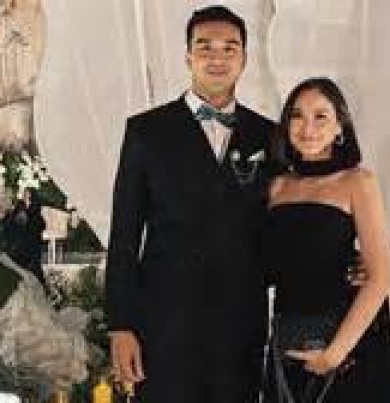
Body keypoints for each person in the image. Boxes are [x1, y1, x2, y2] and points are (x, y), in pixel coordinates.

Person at [105, 5, 275, 402]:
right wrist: (121, 326)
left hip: (240, 326)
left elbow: (285, 224)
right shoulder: (146, 131)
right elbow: (124, 235)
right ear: (187, 56)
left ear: (244, 59)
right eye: (205, 47)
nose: (218, 57)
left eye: (230, 47)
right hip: (164, 324)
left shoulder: (268, 136)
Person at [263, 77, 390, 402]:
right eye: (297, 115)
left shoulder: (358, 182)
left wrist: (335, 353)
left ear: (340, 126)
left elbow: (381, 278)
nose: (307, 127)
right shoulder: (276, 186)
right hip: (285, 340)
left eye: (320, 116)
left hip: (342, 343)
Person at [2, 188, 47, 286]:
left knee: (34, 270)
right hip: (19, 245)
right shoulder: (19, 207)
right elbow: (10, 223)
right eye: (24, 194)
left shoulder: (35, 212)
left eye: (27, 194)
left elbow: (40, 225)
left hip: (31, 246)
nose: (25, 195)